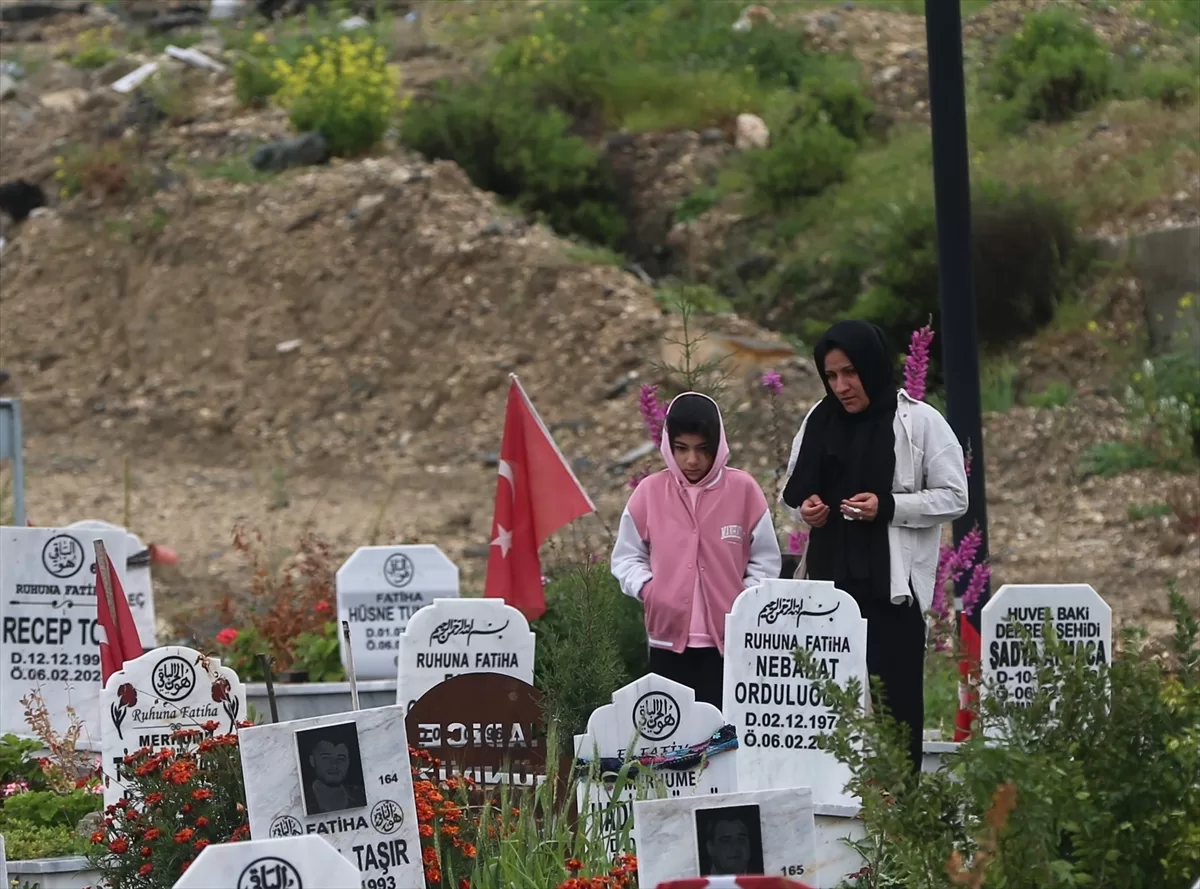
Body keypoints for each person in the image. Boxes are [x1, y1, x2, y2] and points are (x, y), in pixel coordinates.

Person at [780, 320, 968, 773]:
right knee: (824, 713)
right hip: (826, 590)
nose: (842, 386)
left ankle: (904, 819)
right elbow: (791, 491)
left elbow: (955, 496)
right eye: (831, 376)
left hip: (890, 591)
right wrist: (806, 511)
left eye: (850, 372)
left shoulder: (918, 422)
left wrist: (887, 506)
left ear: (872, 365)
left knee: (895, 716)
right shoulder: (818, 420)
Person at [611, 391, 782, 711]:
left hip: (729, 642)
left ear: (718, 447)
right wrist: (650, 590)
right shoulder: (649, 493)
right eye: (681, 449)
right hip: (667, 641)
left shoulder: (744, 490)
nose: (692, 460)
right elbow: (626, 557)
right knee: (673, 738)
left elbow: (766, 559)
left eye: (703, 450)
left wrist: (744, 598)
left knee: (723, 733)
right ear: (668, 446)